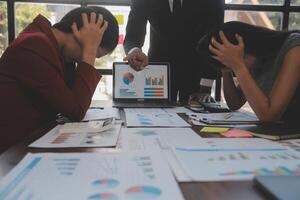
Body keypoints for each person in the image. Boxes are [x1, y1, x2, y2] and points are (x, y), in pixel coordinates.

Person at [0, 6, 119, 152]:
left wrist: (87, 48)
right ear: (76, 31)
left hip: (29, 141)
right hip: (9, 151)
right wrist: (89, 52)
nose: (90, 57)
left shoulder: (56, 52)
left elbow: (72, 100)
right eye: (94, 53)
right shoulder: (34, 45)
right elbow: (76, 110)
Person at [197, 21, 300, 123]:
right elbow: (234, 103)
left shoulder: (294, 47)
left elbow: (268, 116)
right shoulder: (256, 62)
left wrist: (238, 66)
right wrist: (226, 69)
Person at [123, 0, 224, 103]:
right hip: (158, 73)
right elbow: (133, 35)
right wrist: (134, 51)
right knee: (155, 116)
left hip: (197, 71)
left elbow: (214, 37)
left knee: (196, 116)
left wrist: (206, 85)